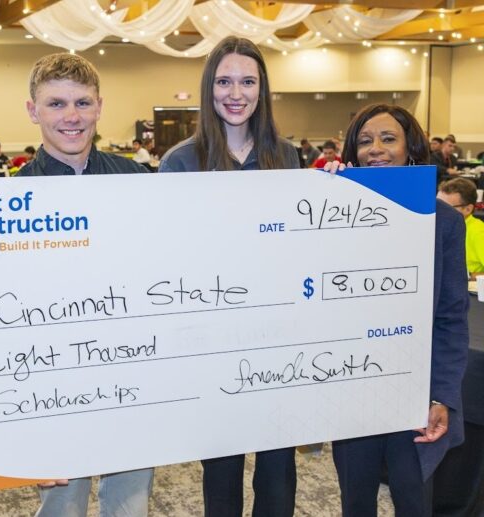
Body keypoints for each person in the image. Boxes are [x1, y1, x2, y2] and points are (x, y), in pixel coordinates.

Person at [159, 35, 300, 517]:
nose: (234, 92)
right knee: (221, 474)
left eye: (247, 80)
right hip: (212, 340)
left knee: (278, 474)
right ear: (208, 88)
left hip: (278, 338)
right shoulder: (180, 162)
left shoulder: (288, 157)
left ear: (263, 89)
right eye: (223, 81)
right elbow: (167, 257)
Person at [19, 52, 153, 517]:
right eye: (56, 104)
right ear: (33, 110)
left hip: (131, 372)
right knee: (62, 506)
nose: (71, 117)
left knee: (130, 506)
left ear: (100, 106)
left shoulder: (138, 180)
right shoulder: (7, 200)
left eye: (82, 103)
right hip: (52, 384)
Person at [330, 103, 468, 516]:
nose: (376, 149)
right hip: (351, 386)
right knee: (356, 501)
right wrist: (324, 197)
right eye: (365, 140)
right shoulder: (332, 216)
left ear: (411, 148)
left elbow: (450, 317)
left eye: (389, 138)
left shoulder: (444, 222)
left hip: (415, 393)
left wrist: (442, 395)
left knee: (413, 500)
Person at [437, 178, 484, 278]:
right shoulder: (436, 228)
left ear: (468, 209)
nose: (438, 212)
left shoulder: (478, 232)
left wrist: (469, 276)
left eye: (446, 208)